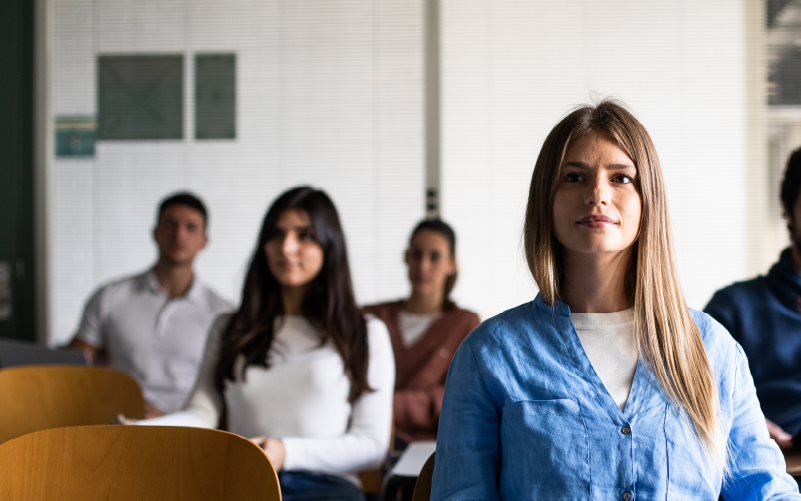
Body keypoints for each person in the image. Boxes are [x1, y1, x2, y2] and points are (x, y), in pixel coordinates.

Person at [431, 100, 800, 499]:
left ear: (648, 199)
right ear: (546, 200)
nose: (597, 194)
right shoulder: (489, 356)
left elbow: (767, 491)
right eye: (574, 177)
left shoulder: (713, 351)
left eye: (621, 178)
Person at [134, 186, 395, 501]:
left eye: (305, 236)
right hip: (241, 483)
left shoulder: (366, 333)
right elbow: (202, 414)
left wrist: (286, 452)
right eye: (277, 234)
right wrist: (142, 429)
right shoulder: (229, 327)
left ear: (330, 246)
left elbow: (371, 446)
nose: (286, 247)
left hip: (328, 488)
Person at [69, 192, 231, 417]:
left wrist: (171, 419)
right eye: (170, 224)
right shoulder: (109, 297)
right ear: (155, 233)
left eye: (191, 228)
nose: (179, 235)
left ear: (205, 241)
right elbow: (74, 371)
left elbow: (225, 391)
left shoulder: (222, 313)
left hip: (190, 432)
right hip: (119, 424)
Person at [706, 146, 801, 450]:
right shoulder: (733, 307)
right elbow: (692, 399)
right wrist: (743, 426)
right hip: (774, 465)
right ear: (788, 210)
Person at [363, 219, 479, 446]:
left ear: (451, 265)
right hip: (368, 441)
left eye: (434, 257)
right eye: (416, 255)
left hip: (430, 450)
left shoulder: (464, 323)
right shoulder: (371, 317)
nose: (423, 266)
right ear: (406, 258)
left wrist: (386, 405)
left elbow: (461, 397)